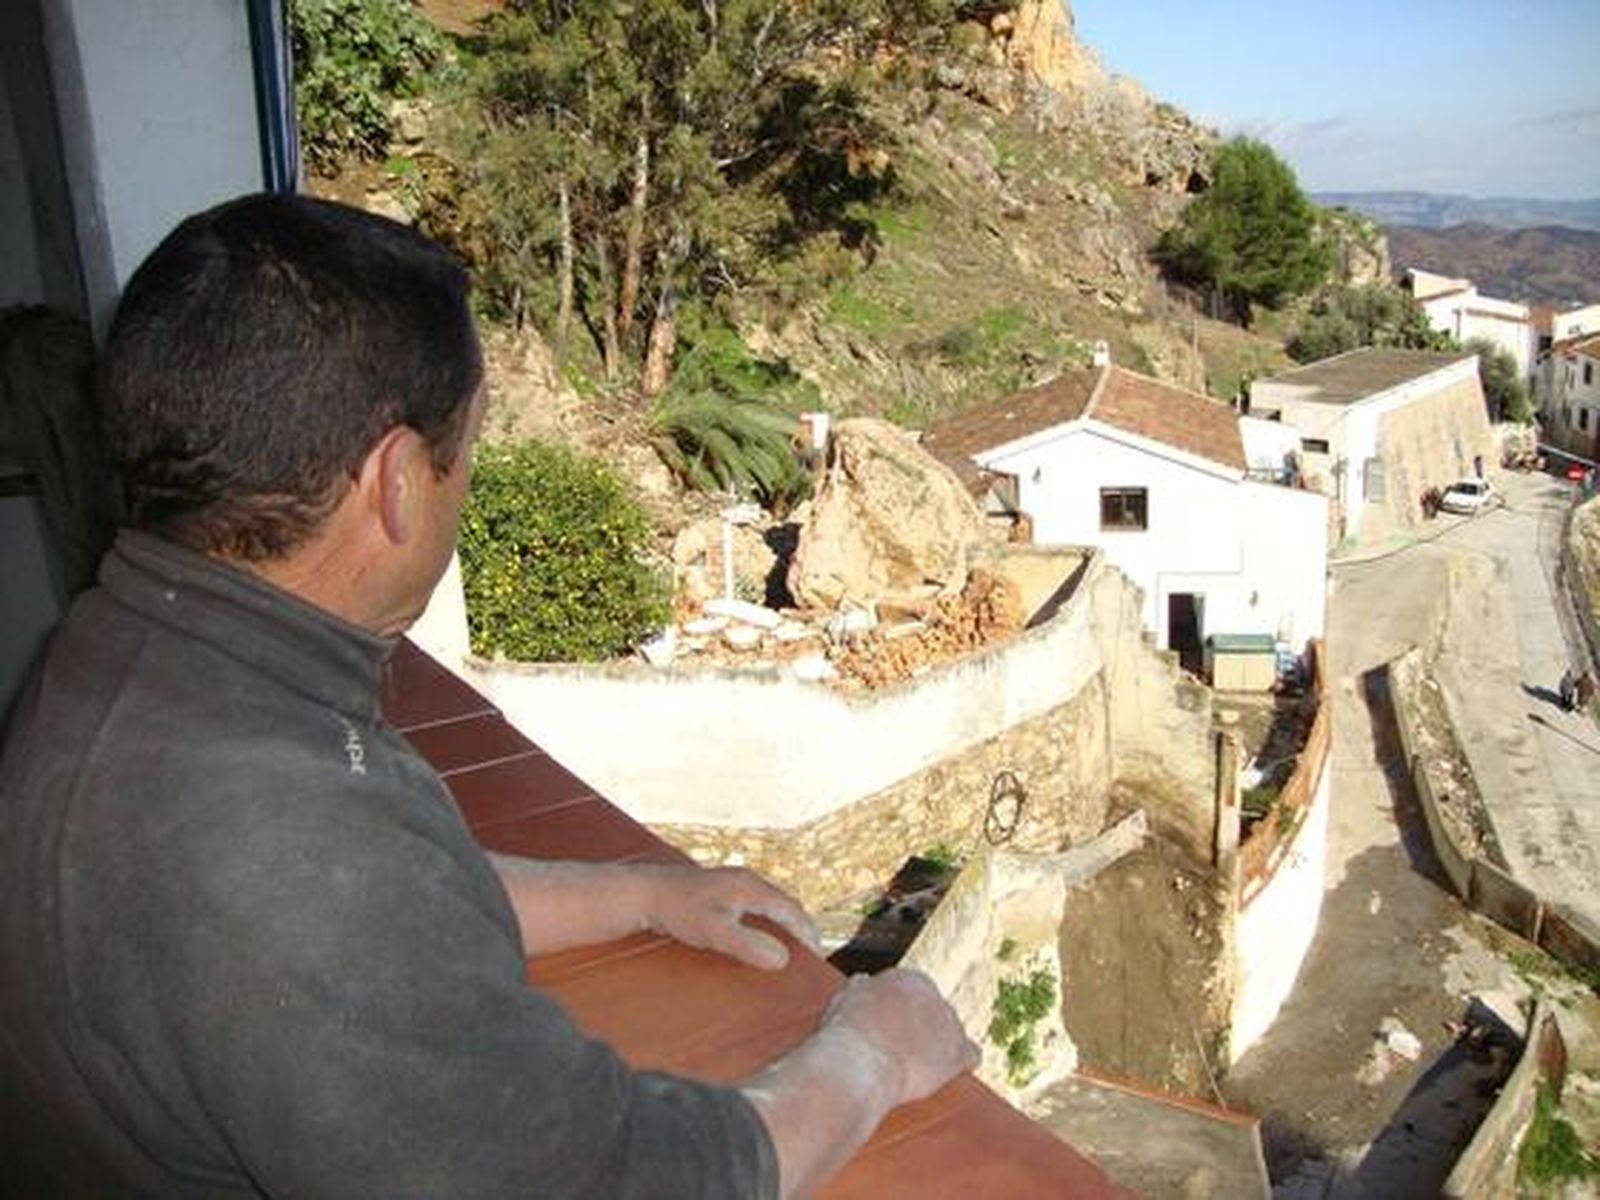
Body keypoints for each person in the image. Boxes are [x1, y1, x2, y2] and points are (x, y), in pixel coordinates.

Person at [0, 194, 977, 1198]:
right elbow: (623, 1181)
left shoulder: (129, 658)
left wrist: (638, 893)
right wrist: (871, 1055)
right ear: (398, 484)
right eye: (460, 450)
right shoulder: (280, 848)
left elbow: (393, 888)